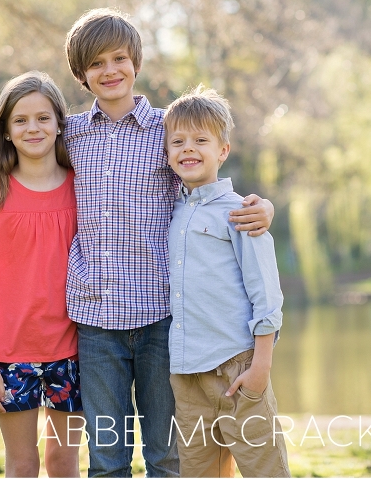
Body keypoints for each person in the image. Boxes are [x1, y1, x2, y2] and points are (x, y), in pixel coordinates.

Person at [0, 8, 274, 477]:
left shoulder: (169, 130)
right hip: (95, 326)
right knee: (107, 459)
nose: (110, 71)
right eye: (97, 64)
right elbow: (29, 163)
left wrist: (262, 207)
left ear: (136, 63)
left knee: (166, 456)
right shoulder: (71, 136)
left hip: (161, 322)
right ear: (81, 75)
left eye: (119, 59)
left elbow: (207, 168)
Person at [163, 85, 290, 478]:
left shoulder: (240, 213)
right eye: (178, 141)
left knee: (263, 468)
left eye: (201, 140)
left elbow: (265, 292)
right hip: (187, 376)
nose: (188, 149)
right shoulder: (171, 210)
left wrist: (261, 366)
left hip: (238, 367)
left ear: (222, 150)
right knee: (200, 472)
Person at [0, 71, 83, 478]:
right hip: (10, 356)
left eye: (43, 118)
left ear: (59, 124)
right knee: (22, 463)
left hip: (73, 350)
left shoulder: (80, 188)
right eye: (21, 120)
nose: (33, 127)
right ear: (7, 131)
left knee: (63, 461)